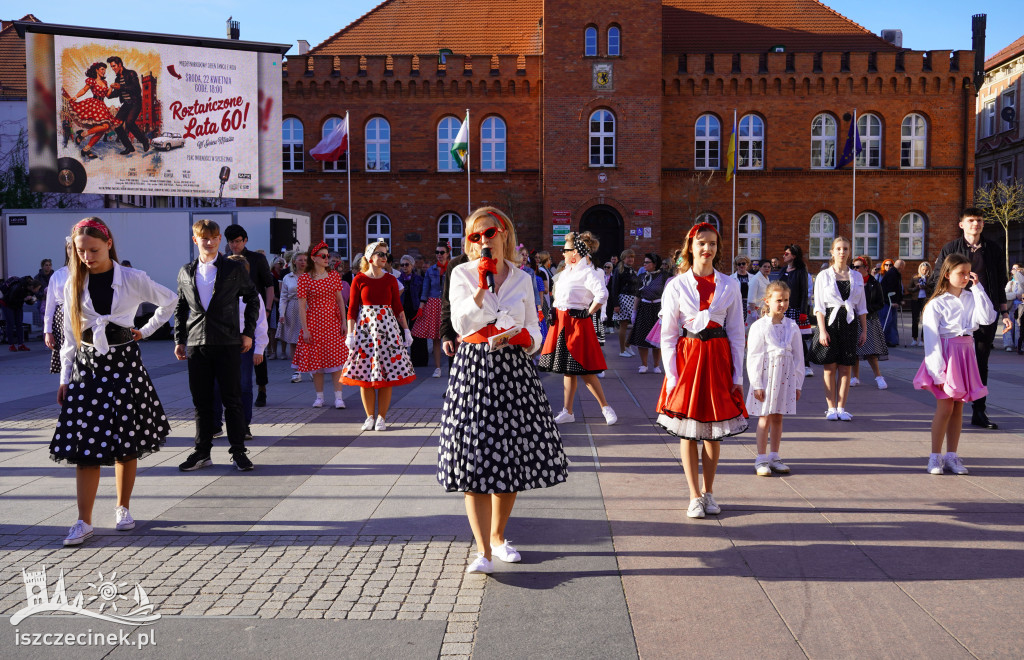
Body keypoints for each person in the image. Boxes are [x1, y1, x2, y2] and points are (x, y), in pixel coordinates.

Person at [438, 207, 568, 574]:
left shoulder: (523, 278)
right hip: (474, 370)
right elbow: (460, 322)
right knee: (474, 458)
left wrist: (527, 339)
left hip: (513, 372)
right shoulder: (462, 273)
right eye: (475, 236)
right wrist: (481, 287)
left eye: (489, 233)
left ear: (504, 234)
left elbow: (534, 328)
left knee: (510, 459)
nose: (483, 241)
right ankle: (482, 551)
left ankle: (498, 538)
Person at [51, 217, 176, 546]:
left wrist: (145, 330)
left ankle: (123, 508)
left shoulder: (133, 278)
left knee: (125, 441)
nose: (87, 257)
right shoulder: (72, 281)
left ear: (108, 244)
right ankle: (83, 521)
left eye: (93, 250)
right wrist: (64, 377)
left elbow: (170, 300)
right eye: (80, 251)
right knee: (84, 447)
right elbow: (69, 336)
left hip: (124, 364)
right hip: (88, 367)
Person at [657, 222, 747, 519]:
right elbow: (668, 335)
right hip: (688, 360)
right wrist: (672, 376)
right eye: (701, 243)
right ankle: (693, 495)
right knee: (688, 429)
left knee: (713, 431)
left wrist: (737, 375)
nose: (707, 248)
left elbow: (737, 332)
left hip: (719, 360)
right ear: (691, 247)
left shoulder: (730, 284)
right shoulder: (676, 285)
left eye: (712, 243)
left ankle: (709, 492)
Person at [175, 219, 260, 472]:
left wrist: (248, 333)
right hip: (197, 343)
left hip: (227, 341)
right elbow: (181, 307)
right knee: (201, 401)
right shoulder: (185, 271)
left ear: (219, 239)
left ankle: (238, 451)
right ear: (195, 240)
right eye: (204, 238)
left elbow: (252, 298)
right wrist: (179, 339)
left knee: (232, 399)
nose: (209, 242)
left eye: (213, 237)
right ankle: (202, 452)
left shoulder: (232, 268)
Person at [913, 253, 995, 475]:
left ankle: (951, 456)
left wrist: (978, 289)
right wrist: (937, 371)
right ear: (948, 274)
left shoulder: (971, 297)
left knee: (958, 406)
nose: (966, 277)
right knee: (945, 407)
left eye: (968, 273)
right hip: (946, 354)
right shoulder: (936, 303)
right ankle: (934, 457)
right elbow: (931, 339)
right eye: (961, 273)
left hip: (965, 353)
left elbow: (987, 318)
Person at [933, 208, 1012, 429]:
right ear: (962, 224)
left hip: (985, 309)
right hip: (957, 310)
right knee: (953, 360)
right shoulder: (951, 248)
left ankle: (979, 411)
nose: (975, 224)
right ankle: (950, 405)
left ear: (983, 224)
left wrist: (1005, 313)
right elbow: (937, 277)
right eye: (970, 220)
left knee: (981, 361)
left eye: (978, 220)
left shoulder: (993, 249)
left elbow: (1000, 282)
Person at [539, 231, 617, 425]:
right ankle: (568, 411)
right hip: (561, 322)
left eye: (565, 250)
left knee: (584, 369)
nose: (562, 253)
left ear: (575, 252)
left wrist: (588, 312)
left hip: (576, 323)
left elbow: (602, 294)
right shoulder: (567, 272)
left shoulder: (588, 272)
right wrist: (553, 310)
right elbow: (560, 297)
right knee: (568, 370)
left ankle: (606, 408)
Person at [343, 240, 416, 431]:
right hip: (366, 330)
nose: (385, 257)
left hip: (388, 330)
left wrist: (406, 330)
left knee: (387, 373)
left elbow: (398, 307)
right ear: (370, 257)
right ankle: (369, 417)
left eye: (386, 254)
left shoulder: (390, 279)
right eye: (381, 254)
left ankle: (382, 417)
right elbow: (352, 309)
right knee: (365, 374)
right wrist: (350, 334)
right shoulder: (359, 279)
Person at [746, 280, 804, 476]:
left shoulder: (792, 326)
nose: (782, 304)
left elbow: (798, 356)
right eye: (778, 300)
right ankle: (761, 458)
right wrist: (756, 383)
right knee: (765, 417)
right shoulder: (759, 326)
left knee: (778, 416)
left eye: (786, 300)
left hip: (785, 376)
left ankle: (774, 456)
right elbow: (754, 355)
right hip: (767, 376)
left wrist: (797, 384)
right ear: (767, 301)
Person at [209, 255, 270, 441]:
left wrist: (259, 349)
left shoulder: (253, 294)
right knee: (216, 384)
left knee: (243, 385)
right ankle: (215, 424)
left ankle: (243, 425)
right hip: (219, 343)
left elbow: (260, 322)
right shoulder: (216, 291)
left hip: (244, 343)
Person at [808, 237, 867, 422]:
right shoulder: (824, 275)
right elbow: (818, 306)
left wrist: (864, 330)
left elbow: (862, 307)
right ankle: (831, 408)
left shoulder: (856, 276)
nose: (842, 252)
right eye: (839, 249)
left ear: (849, 252)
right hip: (830, 322)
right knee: (830, 367)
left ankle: (842, 408)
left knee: (846, 367)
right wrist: (822, 330)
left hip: (850, 323)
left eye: (845, 249)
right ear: (832, 252)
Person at [293, 241, 349, 409]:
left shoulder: (333, 276)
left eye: (328, 255)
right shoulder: (304, 279)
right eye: (323, 256)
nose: (327, 258)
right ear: (314, 258)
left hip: (333, 322)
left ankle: (338, 397)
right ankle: (319, 397)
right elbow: (301, 306)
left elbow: (340, 300)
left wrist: (344, 322)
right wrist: (305, 329)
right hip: (314, 322)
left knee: (335, 360)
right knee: (316, 362)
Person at [224, 225, 275, 407]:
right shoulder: (225, 260)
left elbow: (269, 284)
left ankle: (261, 388)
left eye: (238, 241)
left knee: (259, 353)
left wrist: (267, 309)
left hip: (256, 310)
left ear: (245, 240)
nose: (234, 245)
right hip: (233, 319)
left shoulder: (257, 258)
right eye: (231, 242)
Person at [64, 62, 121, 159]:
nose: (103, 71)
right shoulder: (92, 80)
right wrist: (75, 97)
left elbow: (107, 95)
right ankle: (83, 136)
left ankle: (86, 148)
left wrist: (111, 88)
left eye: (105, 70)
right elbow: (84, 90)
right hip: (94, 105)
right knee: (105, 126)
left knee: (104, 128)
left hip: (102, 105)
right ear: (97, 70)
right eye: (102, 69)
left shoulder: (105, 82)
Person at [850, 255, 889, 390]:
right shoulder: (852, 282)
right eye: (853, 267)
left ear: (866, 268)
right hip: (854, 319)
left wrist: (866, 310)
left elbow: (880, 303)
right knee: (854, 350)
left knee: (871, 351)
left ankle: (879, 377)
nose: (854, 269)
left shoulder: (874, 283)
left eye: (857, 267)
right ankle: (855, 377)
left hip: (870, 319)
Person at [413, 240, 451, 378]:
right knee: (436, 338)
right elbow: (425, 290)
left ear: (447, 253)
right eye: (437, 252)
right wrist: (421, 308)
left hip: (449, 304)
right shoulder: (430, 270)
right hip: (434, 304)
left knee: (451, 336)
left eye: (442, 252)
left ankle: (454, 367)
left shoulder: (453, 268)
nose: (439, 255)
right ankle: (438, 368)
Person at [630, 253, 670, 373]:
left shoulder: (664, 276)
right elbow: (638, 295)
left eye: (647, 262)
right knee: (641, 337)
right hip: (644, 308)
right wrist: (634, 312)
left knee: (657, 338)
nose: (644, 264)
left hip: (658, 308)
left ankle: (656, 365)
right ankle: (644, 365)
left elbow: (669, 294)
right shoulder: (642, 276)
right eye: (644, 262)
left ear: (655, 264)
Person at [777, 244, 812, 377]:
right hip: (782, 309)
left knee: (798, 338)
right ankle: (787, 364)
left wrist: (803, 311)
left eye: (787, 254)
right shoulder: (783, 270)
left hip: (795, 309)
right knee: (783, 336)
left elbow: (804, 292)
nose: (784, 256)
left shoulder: (801, 270)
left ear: (794, 256)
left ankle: (806, 365)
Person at [105, 56, 150, 154]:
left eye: (114, 66)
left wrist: (121, 87)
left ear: (120, 64)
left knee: (129, 123)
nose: (113, 68)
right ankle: (129, 147)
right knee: (116, 125)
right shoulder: (117, 79)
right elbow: (117, 93)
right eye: (111, 67)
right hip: (126, 104)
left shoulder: (131, 73)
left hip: (135, 103)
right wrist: (108, 94)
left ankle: (144, 141)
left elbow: (136, 89)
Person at [277, 250, 307, 383]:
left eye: (305, 260)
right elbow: (283, 297)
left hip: (308, 308)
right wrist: (282, 313)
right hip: (292, 308)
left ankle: (311, 368)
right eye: (300, 260)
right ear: (294, 261)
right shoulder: (288, 277)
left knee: (309, 340)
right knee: (294, 340)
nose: (303, 262)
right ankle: (296, 370)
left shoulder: (312, 276)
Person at [44, 244, 72, 373]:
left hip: (84, 317)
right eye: (69, 247)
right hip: (62, 318)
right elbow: (50, 305)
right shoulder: (58, 274)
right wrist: (48, 331)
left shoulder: (90, 272)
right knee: (65, 360)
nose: (72, 250)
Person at [610, 249, 638, 357]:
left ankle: (627, 344)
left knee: (637, 324)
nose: (631, 259)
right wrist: (616, 304)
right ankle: (622, 351)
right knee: (624, 325)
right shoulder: (619, 270)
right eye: (628, 257)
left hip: (633, 299)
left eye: (632, 257)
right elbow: (614, 288)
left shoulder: (632, 270)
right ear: (623, 258)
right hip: (623, 299)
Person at [2, 276, 40, 351]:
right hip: (7, 304)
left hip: (18, 305)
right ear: (32, 287)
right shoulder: (18, 287)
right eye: (37, 289)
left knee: (19, 324)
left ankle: (21, 344)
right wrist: (24, 299)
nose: (37, 291)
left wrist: (33, 300)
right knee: (10, 324)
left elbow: (30, 302)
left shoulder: (31, 290)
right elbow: (11, 299)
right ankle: (11, 345)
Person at [879, 259, 903, 347]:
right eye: (886, 265)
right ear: (901, 266)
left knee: (892, 321)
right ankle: (882, 340)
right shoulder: (892, 274)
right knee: (887, 321)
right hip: (887, 301)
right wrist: (892, 301)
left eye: (890, 265)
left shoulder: (895, 273)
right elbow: (889, 289)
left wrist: (899, 300)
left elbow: (898, 289)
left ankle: (892, 340)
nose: (888, 267)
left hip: (891, 301)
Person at [910, 262, 934, 347]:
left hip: (925, 300)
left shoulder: (930, 279)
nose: (924, 271)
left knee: (925, 320)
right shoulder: (915, 277)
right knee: (915, 320)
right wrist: (916, 287)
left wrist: (925, 286)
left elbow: (933, 290)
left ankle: (923, 339)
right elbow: (909, 289)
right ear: (920, 269)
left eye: (926, 270)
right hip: (916, 300)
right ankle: (914, 338)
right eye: (923, 269)